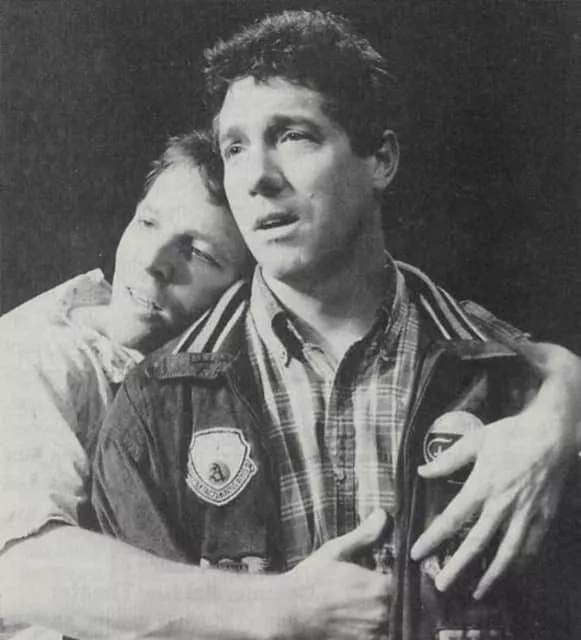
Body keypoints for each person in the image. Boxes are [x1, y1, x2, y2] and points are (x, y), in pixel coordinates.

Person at [90, 10, 581, 640]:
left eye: (293, 136)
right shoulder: (156, 406)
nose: (258, 178)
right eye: (235, 147)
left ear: (381, 160)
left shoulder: (512, 382)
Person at [0, 129, 252, 639]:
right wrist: (284, 607)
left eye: (198, 253)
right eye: (148, 221)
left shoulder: (210, 380)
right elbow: (25, 573)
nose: (153, 260)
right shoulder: (38, 355)